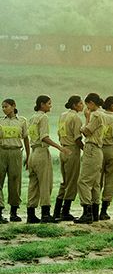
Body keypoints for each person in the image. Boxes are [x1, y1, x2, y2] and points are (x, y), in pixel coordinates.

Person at [27, 95, 69, 223]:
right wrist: (59, 147)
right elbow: (44, 137)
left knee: (33, 184)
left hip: (33, 153)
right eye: (49, 103)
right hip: (41, 152)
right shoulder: (43, 117)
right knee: (45, 183)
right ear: (42, 104)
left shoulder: (32, 117)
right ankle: (45, 214)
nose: (50, 106)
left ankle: (31, 214)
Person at [76, 93, 105, 224]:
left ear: (91, 103)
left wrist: (86, 119)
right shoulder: (102, 114)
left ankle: (87, 212)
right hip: (97, 150)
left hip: (92, 148)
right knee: (94, 183)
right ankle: (94, 212)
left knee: (83, 181)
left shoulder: (96, 115)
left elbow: (87, 131)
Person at [55, 95, 83, 222]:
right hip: (72, 150)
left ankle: (56, 210)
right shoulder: (76, 117)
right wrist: (85, 149)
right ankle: (65, 211)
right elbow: (77, 138)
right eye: (80, 103)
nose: (82, 106)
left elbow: (59, 132)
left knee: (64, 181)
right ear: (74, 105)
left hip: (63, 149)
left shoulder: (62, 116)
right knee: (72, 181)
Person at [0, 98, 29, 223]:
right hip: (2, 151)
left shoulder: (22, 121)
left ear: (13, 106)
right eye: (2, 107)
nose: (4, 109)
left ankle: (14, 212)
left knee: (15, 181)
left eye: (6, 106)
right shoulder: (0, 121)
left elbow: (26, 139)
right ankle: (0, 211)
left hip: (16, 152)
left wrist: (28, 156)